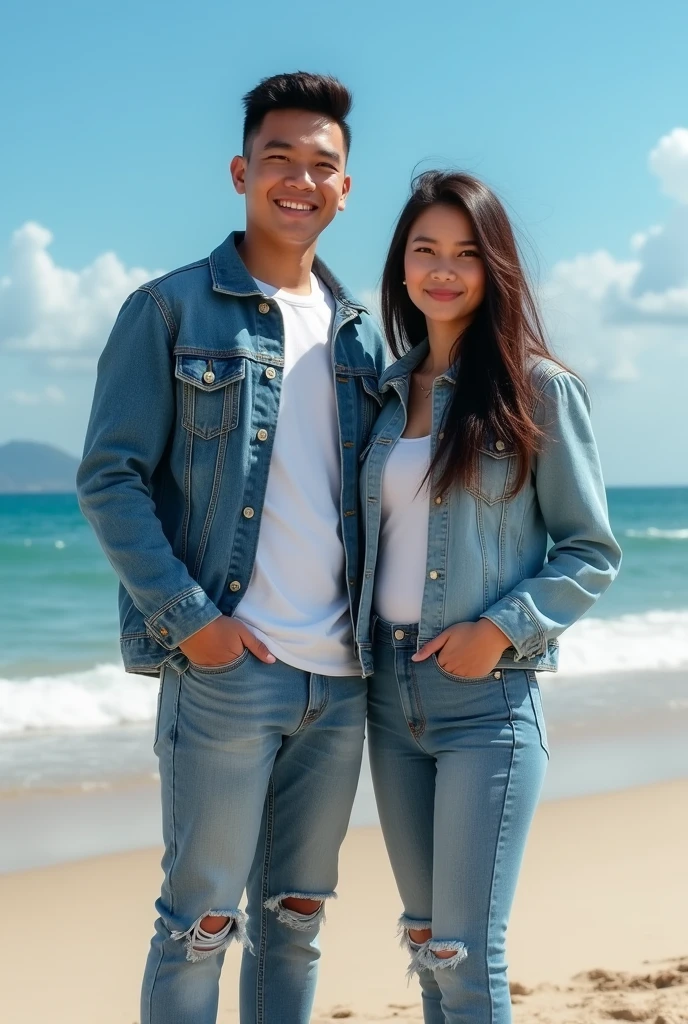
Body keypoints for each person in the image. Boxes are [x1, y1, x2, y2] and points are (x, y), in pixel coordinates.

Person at [77, 72, 386, 1024]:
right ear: (241, 171)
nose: (300, 179)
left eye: (321, 165)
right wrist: (194, 626)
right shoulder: (169, 311)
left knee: (295, 920)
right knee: (197, 923)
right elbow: (110, 477)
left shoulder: (364, 337)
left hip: (339, 680)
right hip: (228, 672)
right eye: (279, 159)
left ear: (347, 186)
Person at [355, 171, 621, 1023]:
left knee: (468, 958)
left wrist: (499, 631)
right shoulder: (383, 397)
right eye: (425, 250)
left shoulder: (537, 389)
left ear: (494, 266)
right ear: (401, 267)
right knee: (429, 943)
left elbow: (590, 550)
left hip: (488, 703)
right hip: (387, 700)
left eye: (465, 253)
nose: (443, 269)